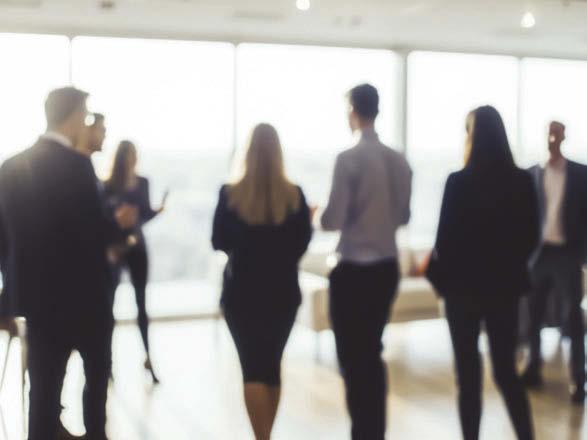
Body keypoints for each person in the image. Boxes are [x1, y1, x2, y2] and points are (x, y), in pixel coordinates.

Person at [0, 87, 138, 440]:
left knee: (42, 397)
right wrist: (120, 225)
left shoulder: (10, 166)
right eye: (85, 115)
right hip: (87, 299)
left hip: (37, 303)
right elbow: (95, 231)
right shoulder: (77, 166)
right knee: (95, 389)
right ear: (75, 116)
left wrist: (7, 298)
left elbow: (3, 240)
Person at [427, 106, 538, 440]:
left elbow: (443, 242)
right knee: (506, 372)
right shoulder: (522, 181)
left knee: (468, 377)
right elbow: (531, 238)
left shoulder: (458, 182)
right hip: (504, 290)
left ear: (471, 137)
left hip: (462, 291)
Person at [320, 84, 412, 440]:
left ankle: (362, 431)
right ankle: (374, 432)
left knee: (351, 358)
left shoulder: (348, 159)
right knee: (372, 351)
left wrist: (316, 216)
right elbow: (403, 216)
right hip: (387, 268)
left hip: (353, 271)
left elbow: (334, 219)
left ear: (353, 111)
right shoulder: (399, 160)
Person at [212, 123, 312, 440]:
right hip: (282, 294)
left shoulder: (230, 194)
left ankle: (262, 437)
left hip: (241, 295)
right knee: (271, 366)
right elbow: (302, 244)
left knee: (252, 368)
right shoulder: (294, 196)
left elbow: (218, 241)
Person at [522, 121, 587, 404]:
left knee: (573, 317)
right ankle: (533, 368)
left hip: (567, 254)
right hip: (539, 254)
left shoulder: (581, 174)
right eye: (549, 132)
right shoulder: (531, 174)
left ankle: (578, 378)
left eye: (556, 133)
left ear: (563, 137)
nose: (552, 138)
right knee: (532, 314)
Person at [104, 140, 164, 384]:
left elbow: (144, 215)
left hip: (137, 247)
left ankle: (148, 358)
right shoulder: (108, 185)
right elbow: (104, 218)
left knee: (141, 303)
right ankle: (106, 363)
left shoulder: (143, 182)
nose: (133, 158)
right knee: (109, 304)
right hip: (116, 249)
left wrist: (156, 212)